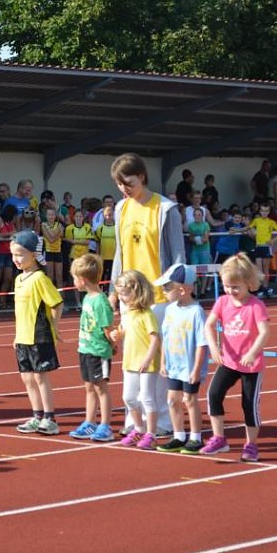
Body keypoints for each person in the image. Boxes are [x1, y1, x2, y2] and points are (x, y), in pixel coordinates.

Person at [109, 153, 184, 437]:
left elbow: (177, 254)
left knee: (154, 362)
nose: (124, 189)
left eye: (127, 182)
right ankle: (134, 420)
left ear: (141, 176)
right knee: (131, 358)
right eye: (118, 184)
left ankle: (162, 422)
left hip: (160, 298)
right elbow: (119, 251)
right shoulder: (120, 209)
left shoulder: (165, 209)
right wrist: (114, 291)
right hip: (131, 298)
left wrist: (177, 288)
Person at [201, 254, 269, 462]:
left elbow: (265, 332)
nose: (231, 291)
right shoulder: (222, 302)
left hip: (251, 365)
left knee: (249, 405)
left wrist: (252, 352)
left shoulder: (256, 306)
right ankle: (219, 438)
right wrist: (214, 346)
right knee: (213, 395)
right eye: (227, 286)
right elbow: (209, 325)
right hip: (229, 361)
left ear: (248, 283)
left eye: (235, 287)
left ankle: (251, 444)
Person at [11, 230, 63, 436]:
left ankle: (50, 418)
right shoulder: (19, 279)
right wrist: (16, 335)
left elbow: (56, 303)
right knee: (27, 379)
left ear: (33, 254)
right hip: (23, 337)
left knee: (41, 378)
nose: (16, 259)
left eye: (20, 254)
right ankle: (37, 415)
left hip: (38, 335)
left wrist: (54, 326)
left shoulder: (40, 278)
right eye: (13, 255)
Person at [154, 264, 209, 454]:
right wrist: (163, 362)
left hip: (189, 366)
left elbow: (202, 343)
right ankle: (178, 435)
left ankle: (195, 437)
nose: (164, 291)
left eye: (167, 288)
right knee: (172, 400)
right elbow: (165, 337)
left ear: (182, 289)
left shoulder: (196, 312)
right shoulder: (170, 310)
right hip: (173, 365)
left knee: (190, 400)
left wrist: (196, 369)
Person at [68, 254, 116, 442]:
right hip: (86, 349)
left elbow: (107, 328)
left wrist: (112, 345)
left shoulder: (100, 301)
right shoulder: (88, 297)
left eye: (74, 278)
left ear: (83, 279)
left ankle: (105, 425)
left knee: (100, 388)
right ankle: (90, 422)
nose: (73, 282)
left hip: (98, 351)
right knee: (89, 387)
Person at [113, 270, 162, 450]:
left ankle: (151, 434)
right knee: (129, 398)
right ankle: (138, 429)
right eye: (119, 294)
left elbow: (155, 338)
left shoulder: (147, 314)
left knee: (147, 398)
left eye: (124, 294)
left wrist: (148, 359)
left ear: (137, 291)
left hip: (146, 363)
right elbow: (124, 330)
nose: (122, 298)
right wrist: (116, 334)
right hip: (130, 362)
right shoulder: (127, 314)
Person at [249, 203, 277, 295]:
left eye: (266, 211)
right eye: (262, 211)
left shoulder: (271, 222)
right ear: (260, 211)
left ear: (268, 212)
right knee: (259, 269)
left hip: (267, 247)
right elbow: (249, 228)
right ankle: (260, 287)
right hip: (258, 246)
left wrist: (274, 240)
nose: (264, 213)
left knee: (266, 268)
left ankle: (266, 287)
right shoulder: (256, 221)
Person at [41, 207, 64, 289]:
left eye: (52, 215)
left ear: (55, 216)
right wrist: (56, 233)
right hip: (48, 252)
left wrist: (52, 232)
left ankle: (61, 297)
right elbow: (51, 240)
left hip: (58, 252)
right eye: (49, 215)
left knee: (59, 276)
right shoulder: (43, 224)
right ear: (46, 216)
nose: (51, 217)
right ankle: (50, 299)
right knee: (50, 276)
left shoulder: (59, 225)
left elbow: (57, 235)